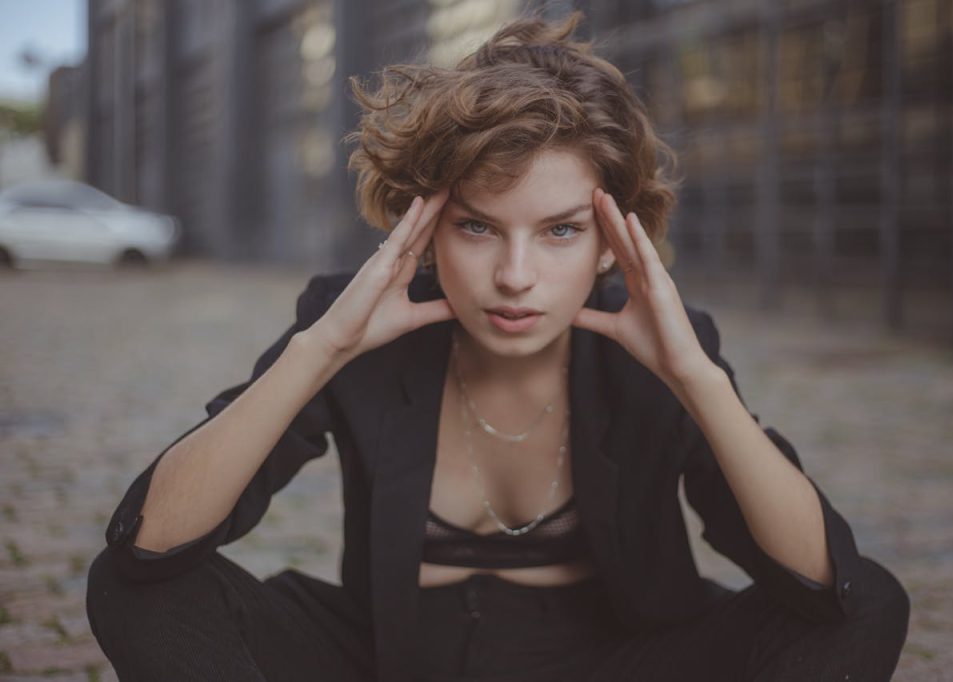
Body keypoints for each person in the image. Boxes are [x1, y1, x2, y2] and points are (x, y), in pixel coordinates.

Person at [86, 11, 910, 682]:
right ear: (427, 226)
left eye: (560, 231)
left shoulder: (663, 348)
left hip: (616, 658)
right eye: (477, 226)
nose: (515, 276)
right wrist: (322, 350)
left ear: (611, 241)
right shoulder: (354, 325)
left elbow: (822, 583)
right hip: (391, 658)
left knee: (869, 601)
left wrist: (696, 381)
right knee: (135, 591)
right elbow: (150, 543)